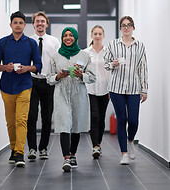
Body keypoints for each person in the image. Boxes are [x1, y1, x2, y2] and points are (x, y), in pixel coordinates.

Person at [0, 11, 42, 167]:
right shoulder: (2, 43)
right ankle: (13, 149)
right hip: (6, 87)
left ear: (24, 25)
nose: (18, 25)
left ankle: (20, 153)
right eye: (15, 23)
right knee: (11, 122)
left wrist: (26, 68)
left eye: (21, 23)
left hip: (25, 86)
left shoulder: (31, 43)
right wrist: (5, 67)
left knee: (21, 120)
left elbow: (38, 66)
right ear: (11, 25)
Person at [47, 27, 95, 172]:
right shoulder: (55, 57)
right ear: (62, 38)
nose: (68, 38)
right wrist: (58, 76)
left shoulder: (84, 56)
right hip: (61, 93)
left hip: (78, 93)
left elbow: (92, 77)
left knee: (76, 125)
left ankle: (73, 154)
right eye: (65, 36)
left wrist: (82, 75)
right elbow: (49, 78)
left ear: (75, 37)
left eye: (71, 35)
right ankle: (66, 158)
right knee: (63, 124)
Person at [104, 16, 148, 165]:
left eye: (129, 25)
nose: (126, 28)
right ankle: (124, 154)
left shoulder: (140, 46)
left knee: (133, 121)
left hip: (134, 88)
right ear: (120, 28)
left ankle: (130, 141)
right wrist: (112, 64)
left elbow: (143, 68)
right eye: (123, 25)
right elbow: (105, 64)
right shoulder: (112, 44)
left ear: (133, 27)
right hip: (116, 87)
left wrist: (145, 89)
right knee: (121, 119)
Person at [27, 11, 60, 161]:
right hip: (32, 81)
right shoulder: (27, 41)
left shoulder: (54, 42)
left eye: (42, 21)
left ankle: (43, 148)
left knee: (47, 117)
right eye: (37, 21)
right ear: (33, 24)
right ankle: (32, 148)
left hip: (48, 82)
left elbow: (58, 61)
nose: (40, 24)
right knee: (31, 116)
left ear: (47, 24)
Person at [84, 25, 110, 159]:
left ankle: (98, 143)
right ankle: (95, 146)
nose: (97, 36)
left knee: (101, 117)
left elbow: (112, 71)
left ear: (103, 36)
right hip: (90, 89)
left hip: (105, 90)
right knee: (94, 116)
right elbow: (79, 68)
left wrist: (112, 88)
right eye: (95, 34)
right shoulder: (86, 52)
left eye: (100, 34)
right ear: (92, 36)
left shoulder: (108, 52)